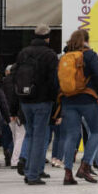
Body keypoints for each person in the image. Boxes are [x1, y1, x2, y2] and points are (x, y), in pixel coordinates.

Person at [11, 25, 58, 185]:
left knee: (30, 135)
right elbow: (53, 82)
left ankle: (29, 170)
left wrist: (16, 102)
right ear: (48, 37)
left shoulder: (23, 53)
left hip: (25, 100)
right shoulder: (49, 54)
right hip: (42, 101)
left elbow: (15, 76)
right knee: (40, 137)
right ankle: (33, 174)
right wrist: (55, 101)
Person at [59, 29, 98, 185]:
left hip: (68, 100)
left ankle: (67, 173)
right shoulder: (90, 55)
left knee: (71, 135)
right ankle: (85, 166)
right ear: (87, 40)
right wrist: (95, 91)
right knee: (96, 131)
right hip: (87, 99)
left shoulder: (65, 56)